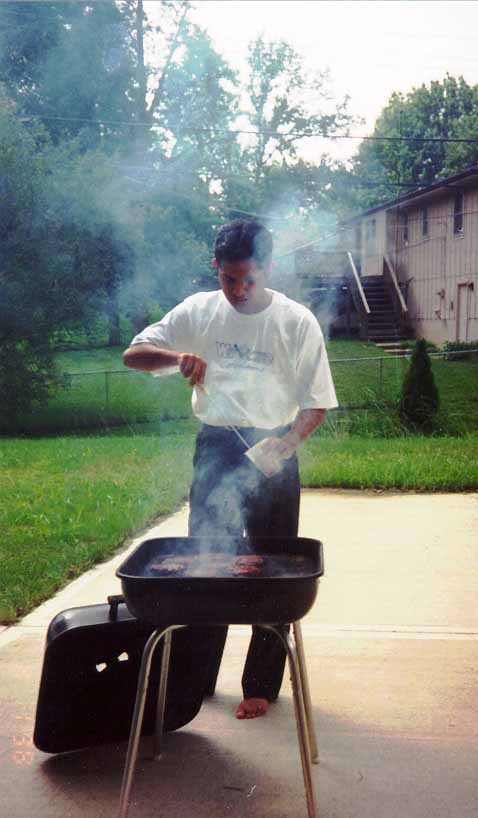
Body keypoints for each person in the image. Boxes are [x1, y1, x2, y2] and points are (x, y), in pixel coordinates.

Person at [123, 219, 337, 719]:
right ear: (216, 269)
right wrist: (177, 358)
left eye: (250, 280)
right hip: (217, 445)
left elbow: (317, 402)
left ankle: (260, 683)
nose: (240, 291)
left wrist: (288, 443)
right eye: (230, 280)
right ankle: (196, 677)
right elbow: (134, 354)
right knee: (207, 562)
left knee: (274, 565)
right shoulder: (199, 311)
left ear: (268, 269)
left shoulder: (295, 320)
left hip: (274, 445)